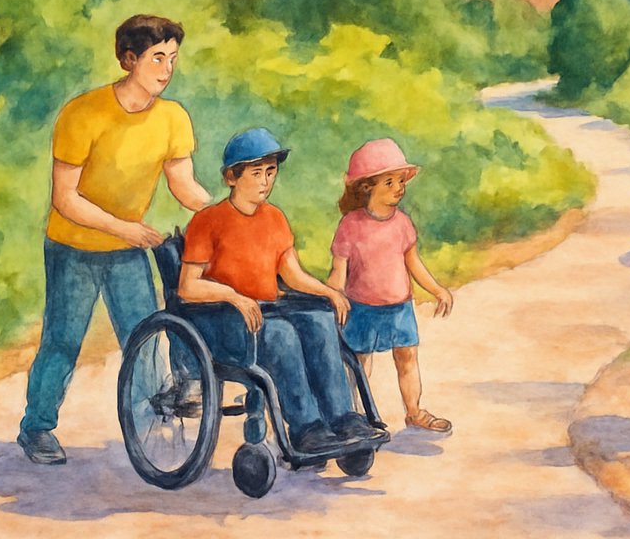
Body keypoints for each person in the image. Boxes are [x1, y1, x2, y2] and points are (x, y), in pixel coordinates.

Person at [18, 14, 214, 466]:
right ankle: (37, 427)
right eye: (157, 58)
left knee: (144, 337)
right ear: (129, 60)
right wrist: (124, 228)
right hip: (72, 247)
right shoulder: (82, 113)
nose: (167, 69)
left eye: (173, 59)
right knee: (64, 340)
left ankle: (150, 428)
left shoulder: (172, 118)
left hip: (126, 251)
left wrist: (224, 214)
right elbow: (66, 199)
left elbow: (183, 186)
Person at [178, 128, 384, 455]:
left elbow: (292, 274)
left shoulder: (275, 219)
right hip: (221, 321)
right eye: (256, 173)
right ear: (232, 177)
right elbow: (188, 287)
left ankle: (343, 419)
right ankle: (307, 428)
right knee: (283, 334)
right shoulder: (209, 221)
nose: (265, 181)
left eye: (270, 172)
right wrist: (234, 296)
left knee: (318, 320)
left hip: (265, 311)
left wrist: (329, 293)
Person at [329, 139, 455, 436]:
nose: (399, 187)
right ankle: (356, 416)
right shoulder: (350, 224)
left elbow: (414, 264)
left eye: (401, 180)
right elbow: (338, 271)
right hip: (361, 308)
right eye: (390, 181)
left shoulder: (403, 224)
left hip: (399, 307)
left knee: (407, 358)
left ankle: (414, 411)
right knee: (359, 363)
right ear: (366, 187)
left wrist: (437, 289)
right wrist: (332, 297)